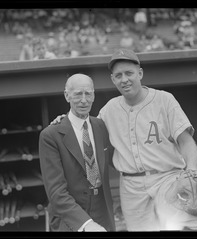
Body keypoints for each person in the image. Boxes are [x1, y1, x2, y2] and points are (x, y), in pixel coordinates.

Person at [51, 49, 197, 231]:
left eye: (129, 73)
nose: (124, 79)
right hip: (131, 186)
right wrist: (65, 121)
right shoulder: (108, 110)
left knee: (190, 225)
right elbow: (86, 129)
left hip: (167, 177)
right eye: (118, 75)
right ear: (113, 79)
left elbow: (185, 140)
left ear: (140, 73)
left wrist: (192, 169)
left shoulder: (164, 100)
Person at [39, 73, 115, 232]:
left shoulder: (101, 126)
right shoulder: (51, 135)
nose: (84, 100)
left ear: (94, 95)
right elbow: (56, 192)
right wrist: (86, 224)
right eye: (78, 94)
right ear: (67, 96)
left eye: (88, 93)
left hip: (103, 213)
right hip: (71, 220)